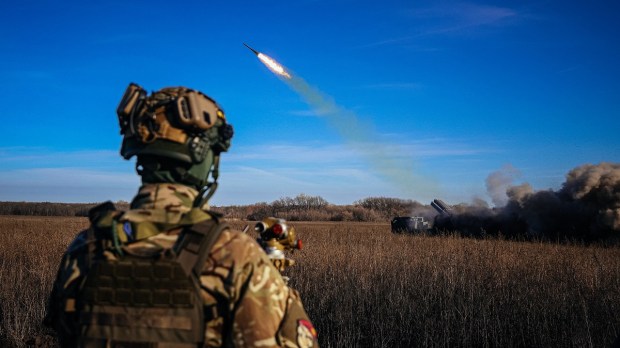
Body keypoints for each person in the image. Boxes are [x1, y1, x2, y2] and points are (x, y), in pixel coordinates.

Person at [44, 84, 319, 348]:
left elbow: (64, 331)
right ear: (204, 159)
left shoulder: (86, 247)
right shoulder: (234, 255)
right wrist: (278, 288)